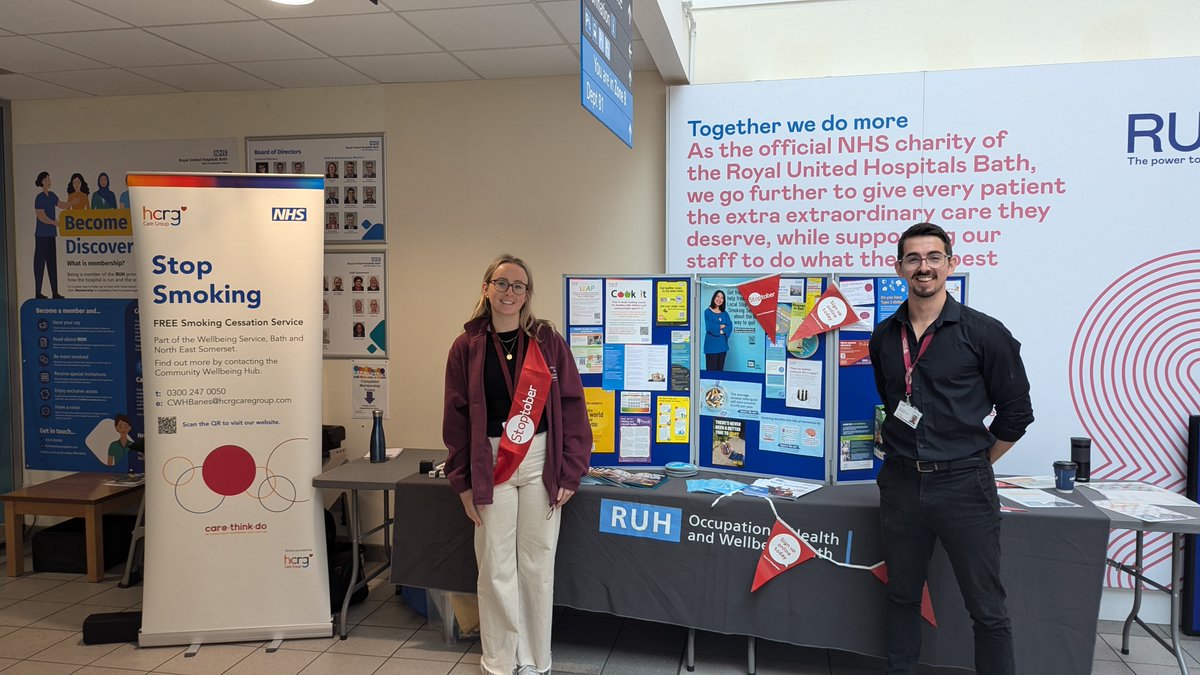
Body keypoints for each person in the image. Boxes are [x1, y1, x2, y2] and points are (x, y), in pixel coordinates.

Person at [868, 222, 1033, 675]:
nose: (924, 267)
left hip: (964, 484)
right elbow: (893, 401)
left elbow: (1016, 413)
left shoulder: (984, 333)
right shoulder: (884, 337)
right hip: (901, 482)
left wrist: (977, 462)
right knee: (902, 595)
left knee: (986, 608)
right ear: (898, 267)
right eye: (914, 258)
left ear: (951, 264)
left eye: (934, 257)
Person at [443, 254, 591, 675]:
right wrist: (464, 484)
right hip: (490, 462)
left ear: (528, 294)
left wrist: (571, 469)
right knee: (495, 566)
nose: (510, 292)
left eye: (519, 286)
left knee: (537, 564)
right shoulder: (466, 346)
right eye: (502, 283)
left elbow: (572, 404)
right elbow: (454, 417)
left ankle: (534, 660)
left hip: (541, 458)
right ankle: (499, 661)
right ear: (486, 287)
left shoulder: (546, 341)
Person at [33, 172, 65, 299]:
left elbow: (61, 204)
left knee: (52, 263)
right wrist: (55, 223)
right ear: (42, 182)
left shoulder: (52, 195)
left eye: (49, 179)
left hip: (51, 235)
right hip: (41, 235)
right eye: (47, 179)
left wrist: (72, 203)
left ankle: (55, 292)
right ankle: (37, 291)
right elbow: (41, 217)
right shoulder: (39, 198)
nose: (49, 181)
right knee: (40, 263)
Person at [703, 290, 729, 370]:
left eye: (722, 298)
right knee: (711, 372)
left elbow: (729, 326)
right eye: (718, 296)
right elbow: (709, 326)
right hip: (711, 347)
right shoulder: (707, 312)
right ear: (714, 297)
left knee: (720, 371)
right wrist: (721, 328)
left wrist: (719, 328)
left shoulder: (725, 313)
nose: (719, 299)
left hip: (722, 346)